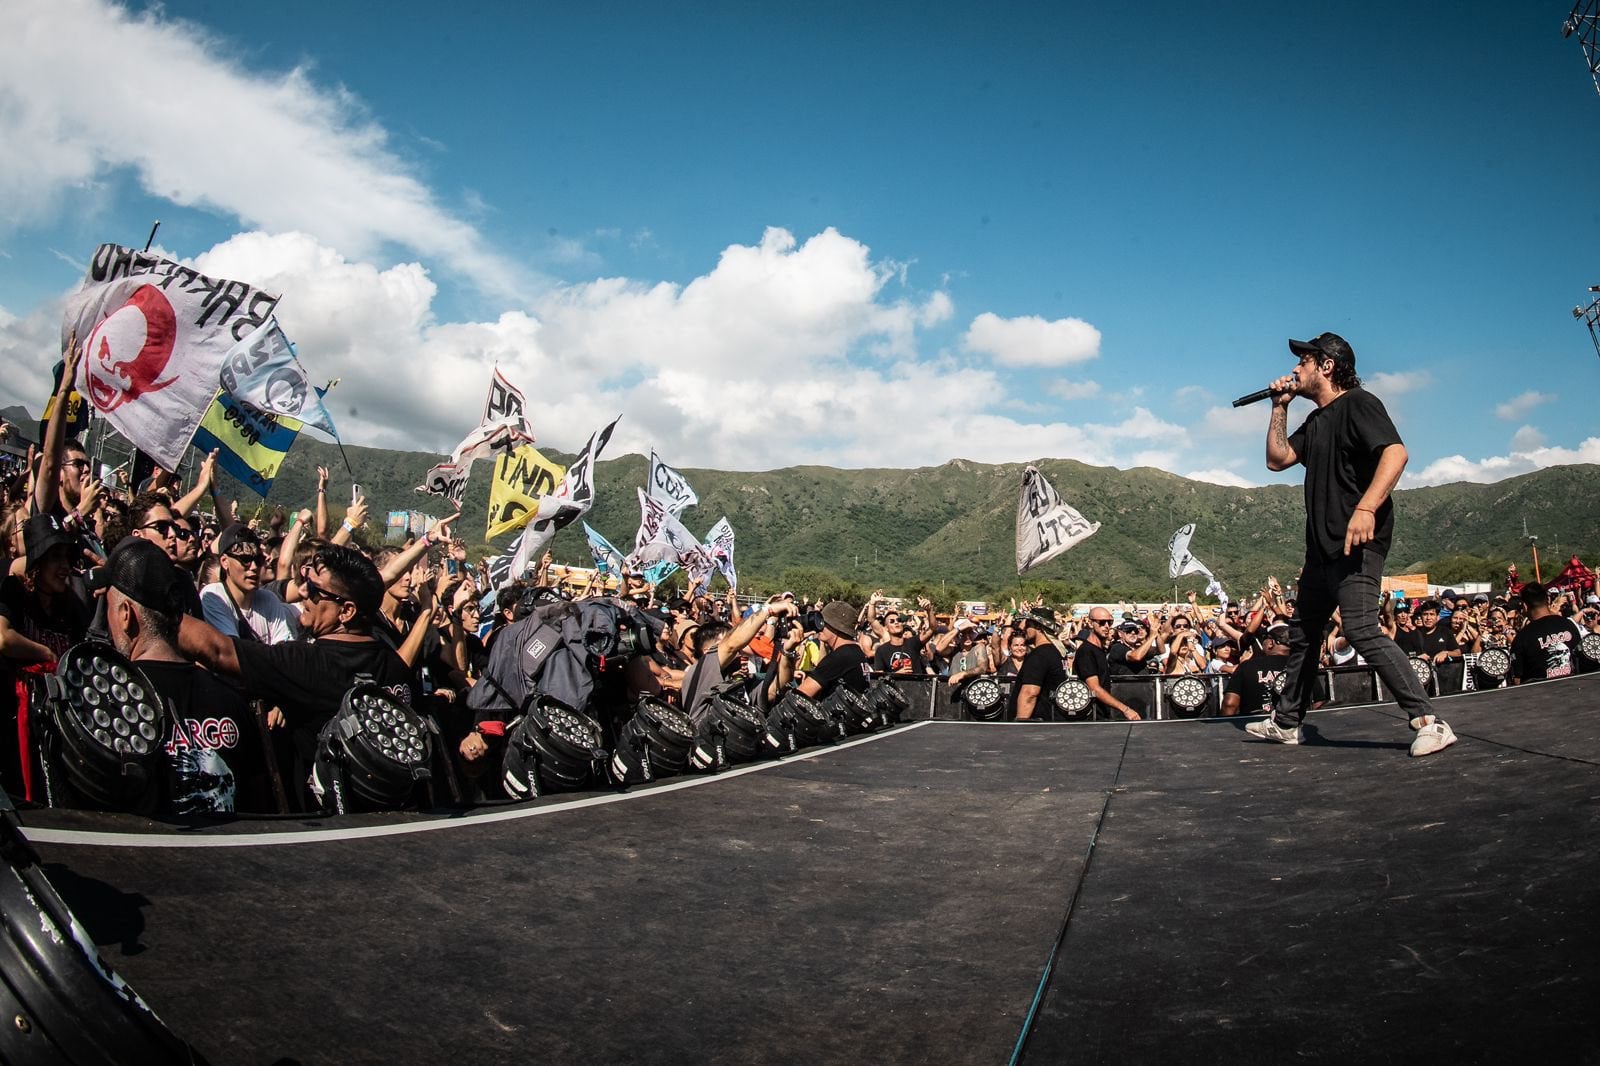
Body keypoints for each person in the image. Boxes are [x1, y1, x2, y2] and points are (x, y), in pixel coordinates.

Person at [1251, 332, 1454, 756]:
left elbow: (1395, 454)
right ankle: (1287, 722)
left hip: (1357, 542)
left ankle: (1430, 721)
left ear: (1326, 365)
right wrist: (1278, 407)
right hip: (1321, 550)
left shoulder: (1360, 403)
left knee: (1361, 628)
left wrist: (1366, 508)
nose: (1294, 369)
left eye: (1303, 361)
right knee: (1303, 635)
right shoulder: (1317, 421)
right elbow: (1277, 459)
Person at [102, 538, 269, 814]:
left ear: (125, 615)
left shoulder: (112, 702)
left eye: (108, 607)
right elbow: (259, 807)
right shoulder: (232, 701)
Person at [1070, 608, 1143, 722]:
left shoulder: (1100, 650)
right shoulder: (1086, 651)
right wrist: (1125, 709)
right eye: (1101, 622)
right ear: (1090, 623)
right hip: (1092, 717)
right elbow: (1094, 688)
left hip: (1103, 715)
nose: (1106, 626)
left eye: (1109, 622)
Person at [795, 600, 872, 700]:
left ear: (835, 627)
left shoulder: (840, 657)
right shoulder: (855, 652)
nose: (818, 627)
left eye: (822, 622)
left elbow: (800, 696)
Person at [1509, 582, 1584, 683]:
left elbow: (1517, 680)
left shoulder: (1522, 638)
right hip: (1577, 690)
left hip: (1540, 696)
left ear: (1525, 606)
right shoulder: (1569, 625)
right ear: (1548, 600)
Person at [1222, 623, 1292, 717]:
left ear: (1271, 643)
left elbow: (1230, 704)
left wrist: (1225, 728)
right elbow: (1317, 702)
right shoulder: (1302, 667)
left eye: (1264, 639)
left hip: (1252, 726)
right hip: (1293, 726)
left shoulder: (1247, 666)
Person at [1010, 613, 1067, 721]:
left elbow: (1030, 694)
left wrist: (1019, 727)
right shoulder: (1054, 652)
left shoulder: (1039, 655)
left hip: (1036, 725)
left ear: (1037, 627)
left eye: (1027, 625)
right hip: (1050, 721)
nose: (1024, 629)